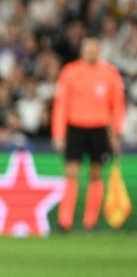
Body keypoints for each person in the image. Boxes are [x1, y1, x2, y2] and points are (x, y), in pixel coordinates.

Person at [51, 37, 126, 231]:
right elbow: (60, 105)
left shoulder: (109, 74)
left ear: (99, 49)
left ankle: (89, 223)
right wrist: (59, 133)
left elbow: (117, 106)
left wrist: (116, 132)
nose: (91, 51)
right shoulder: (70, 72)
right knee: (71, 172)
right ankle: (64, 222)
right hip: (76, 127)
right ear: (82, 49)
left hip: (99, 128)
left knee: (96, 174)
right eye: (88, 47)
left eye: (94, 47)